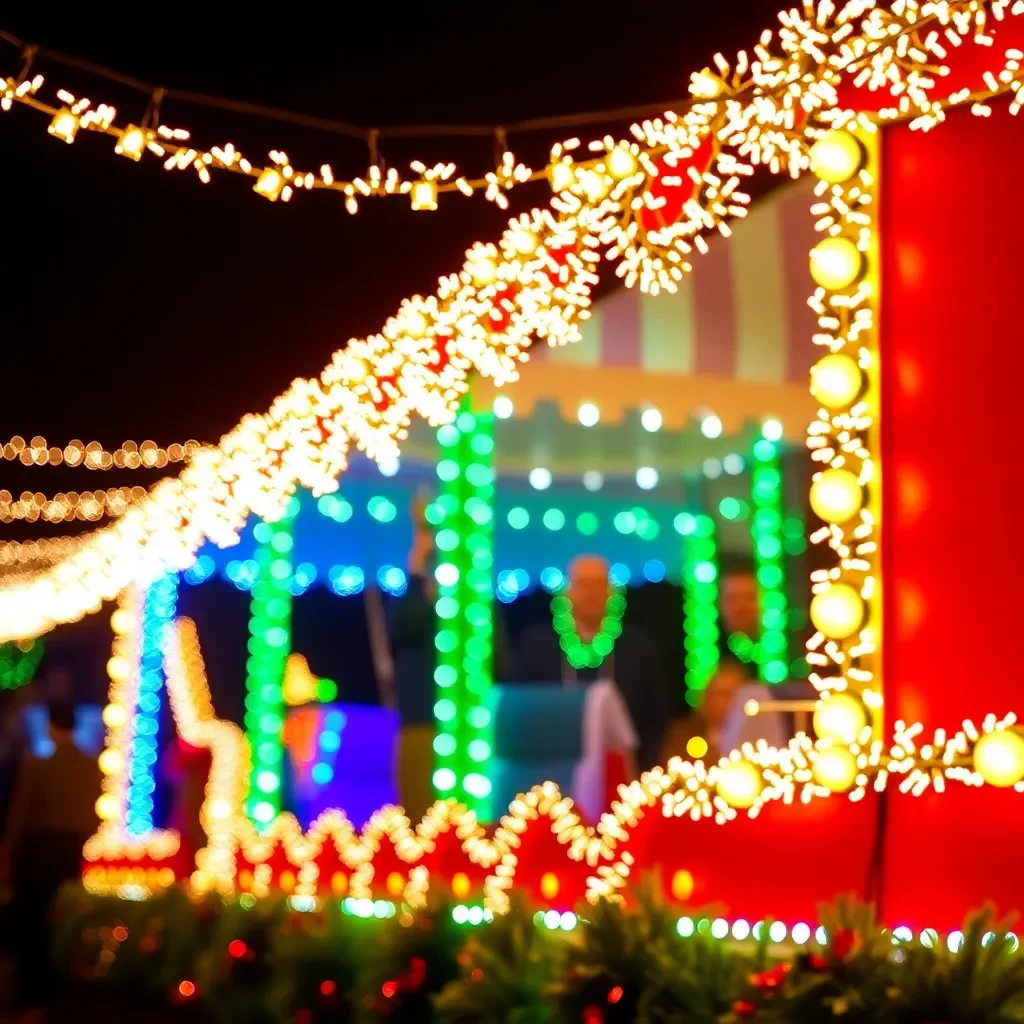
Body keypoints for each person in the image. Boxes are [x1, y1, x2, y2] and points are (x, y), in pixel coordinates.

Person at [388, 496, 508, 820]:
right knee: (419, 818)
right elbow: (401, 630)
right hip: (421, 726)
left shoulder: (478, 609)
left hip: (470, 733)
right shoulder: (416, 607)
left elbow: (499, 662)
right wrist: (415, 571)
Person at [512, 554, 670, 772]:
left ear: (611, 592)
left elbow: (656, 717)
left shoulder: (639, 649)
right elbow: (523, 713)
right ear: (568, 593)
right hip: (552, 771)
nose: (591, 593)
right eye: (583, 584)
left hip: (623, 773)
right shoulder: (537, 647)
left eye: (599, 584)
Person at [1, 702, 101, 1021]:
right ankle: (67, 997)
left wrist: (7, 855)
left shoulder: (37, 766)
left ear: (49, 728)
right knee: (68, 924)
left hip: (38, 853)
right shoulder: (93, 766)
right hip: (75, 854)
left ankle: (33, 1000)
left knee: (32, 927)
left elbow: (19, 818)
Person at [661, 662, 746, 765]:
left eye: (731, 694)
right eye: (719, 694)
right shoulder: (683, 735)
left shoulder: (753, 741)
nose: (725, 702)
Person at [718, 565, 762, 679]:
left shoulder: (777, 648)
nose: (741, 607)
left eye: (750, 598)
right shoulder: (710, 650)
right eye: (732, 599)